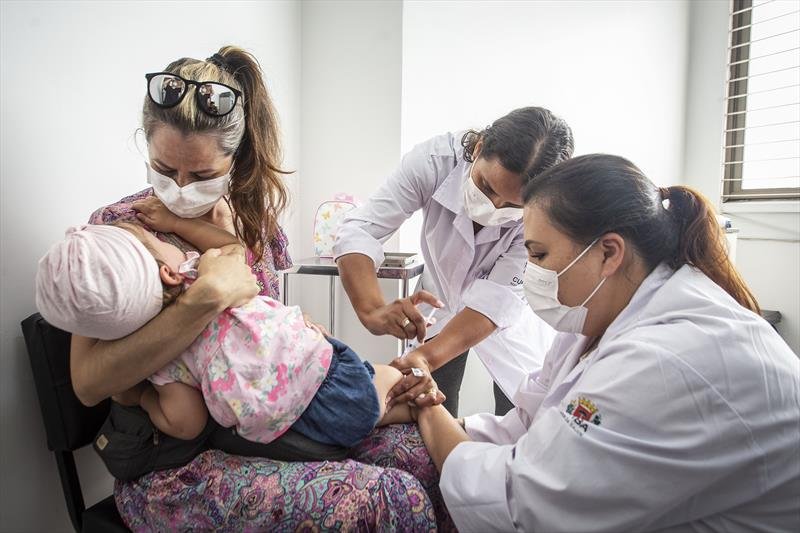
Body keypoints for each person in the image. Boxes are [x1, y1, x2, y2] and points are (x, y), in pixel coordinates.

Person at [71, 46, 452, 530]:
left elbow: (265, 344)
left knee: (424, 457)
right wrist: (206, 298)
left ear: (235, 158)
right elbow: (86, 383)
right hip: (174, 462)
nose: (182, 187)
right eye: (164, 170)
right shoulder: (117, 232)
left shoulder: (255, 227)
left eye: (203, 175)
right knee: (384, 498)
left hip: (265, 425)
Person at [413, 154, 800, 531]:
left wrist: (427, 413)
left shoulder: (668, 357)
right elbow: (532, 422)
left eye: (539, 254)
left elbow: (527, 506)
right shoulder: (591, 321)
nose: (530, 272)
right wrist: (445, 416)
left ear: (609, 253)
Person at [36, 218, 421, 447]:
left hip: (295, 419)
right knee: (382, 389)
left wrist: (144, 398)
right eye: (159, 241)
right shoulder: (195, 271)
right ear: (169, 272)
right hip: (328, 372)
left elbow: (184, 421)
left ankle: (399, 402)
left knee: (380, 409)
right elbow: (230, 249)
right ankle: (403, 394)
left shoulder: (164, 363)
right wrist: (175, 225)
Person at [335, 107, 575, 416]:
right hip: (442, 300)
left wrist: (425, 359)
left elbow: (495, 301)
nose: (493, 207)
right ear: (478, 147)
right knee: (429, 405)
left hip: (509, 320)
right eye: (486, 187)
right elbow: (361, 230)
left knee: (520, 411)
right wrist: (372, 310)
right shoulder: (435, 162)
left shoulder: (543, 211)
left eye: (512, 205)